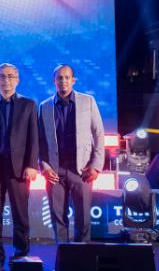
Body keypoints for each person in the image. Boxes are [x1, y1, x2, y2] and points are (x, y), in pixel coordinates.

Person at [0, 63, 39, 271]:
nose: (7, 80)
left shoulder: (29, 105)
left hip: (19, 168)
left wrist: (32, 165)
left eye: (11, 76)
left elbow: (34, 137)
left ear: (17, 80)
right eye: (2, 76)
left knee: (20, 214)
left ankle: (21, 254)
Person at [38, 64, 105, 243]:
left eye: (67, 77)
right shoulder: (44, 106)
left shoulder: (88, 101)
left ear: (73, 80)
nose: (63, 81)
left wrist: (96, 166)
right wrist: (44, 166)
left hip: (82, 170)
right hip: (55, 171)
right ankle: (63, 256)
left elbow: (98, 134)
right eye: (59, 78)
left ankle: (81, 257)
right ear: (54, 81)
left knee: (83, 220)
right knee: (58, 219)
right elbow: (40, 140)